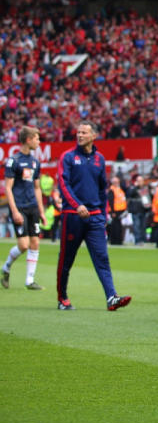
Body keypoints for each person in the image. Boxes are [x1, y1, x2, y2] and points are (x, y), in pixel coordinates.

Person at [55, 121, 131, 311]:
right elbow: (63, 185)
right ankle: (62, 297)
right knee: (66, 259)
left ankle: (111, 297)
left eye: (84, 132)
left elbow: (102, 189)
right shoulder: (68, 157)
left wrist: (104, 214)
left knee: (102, 258)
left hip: (95, 216)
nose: (80, 135)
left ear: (93, 136)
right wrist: (76, 204)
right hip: (73, 215)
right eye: (78, 132)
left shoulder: (99, 159)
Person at [3, 126, 46, 290]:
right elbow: (8, 188)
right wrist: (14, 211)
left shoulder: (35, 162)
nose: (39, 141)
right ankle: (6, 268)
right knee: (23, 245)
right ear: (28, 140)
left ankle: (29, 280)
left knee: (35, 242)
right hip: (19, 206)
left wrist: (41, 211)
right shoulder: (13, 161)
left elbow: (37, 187)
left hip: (33, 207)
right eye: (37, 138)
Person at [106, 176, 126, 246]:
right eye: (115, 182)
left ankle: (118, 240)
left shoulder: (119, 189)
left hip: (120, 210)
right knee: (115, 226)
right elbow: (111, 201)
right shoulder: (112, 190)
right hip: (115, 211)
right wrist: (113, 212)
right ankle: (115, 241)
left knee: (119, 226)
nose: (116, 183)